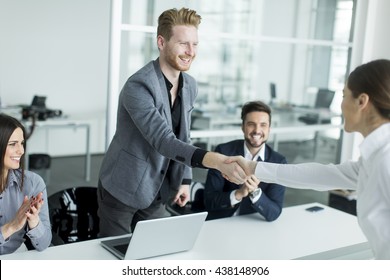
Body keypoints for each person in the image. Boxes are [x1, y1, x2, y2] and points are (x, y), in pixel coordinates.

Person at [98, 7, 246, 237]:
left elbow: (183, 136)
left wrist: (185, 179)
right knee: (115, 255)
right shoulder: (138, 86)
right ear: (161, 41)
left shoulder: (190, 85)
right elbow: (164, 141)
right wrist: (215, 161)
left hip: (159, 188)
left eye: (195, 44)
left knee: (158, 248)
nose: (190, 51)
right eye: (183, 43)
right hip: (123, 187)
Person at [230, 59, 390, 259]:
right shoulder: (373, 158)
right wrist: (253, 167)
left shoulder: (385, 160)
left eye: (344, 96)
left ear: (362, 102)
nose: (340, 105)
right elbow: (320, 175)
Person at [204, 101, 287, 221]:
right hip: (221, 222)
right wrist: (238, 193)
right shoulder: (223, 151)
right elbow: (209, 201)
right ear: (243, 127)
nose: (257, 130)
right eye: (251, 124)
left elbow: (274, 213)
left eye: (263, 125)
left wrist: (255, 192)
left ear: (269, 129)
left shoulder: (278, 162)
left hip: (252, 224)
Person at [0, 113, 52, 255]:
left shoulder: (34, 183)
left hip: (17, 256)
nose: (21, 151)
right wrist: (11, 227)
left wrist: (34, 221)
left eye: (22, 143)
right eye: (13, 144)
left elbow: (44, 244)